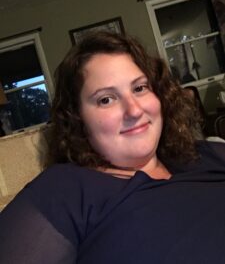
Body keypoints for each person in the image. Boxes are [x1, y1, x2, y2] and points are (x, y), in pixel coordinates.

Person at [0, 31, 225, 264]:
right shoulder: (65, 190)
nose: (134, 110)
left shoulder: (209, 154)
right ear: (78, 118)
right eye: (106, 99)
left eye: (139, 88)